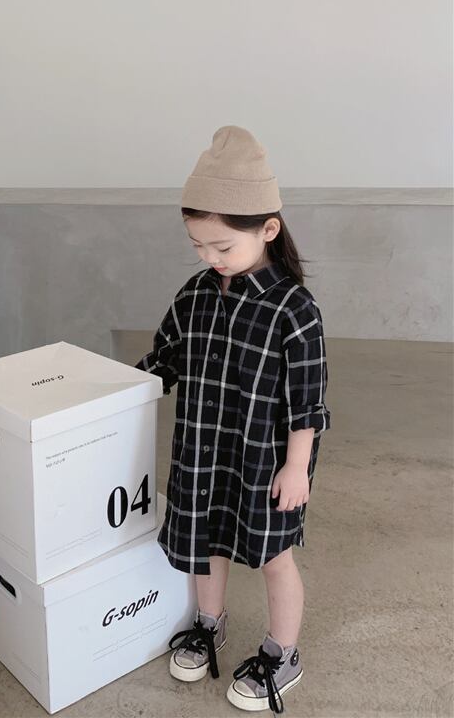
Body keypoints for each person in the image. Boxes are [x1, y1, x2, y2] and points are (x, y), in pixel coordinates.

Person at [134, 126, 331, 715]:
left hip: (266, 462)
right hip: (202, 448)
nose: (209, 258)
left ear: (268, 229)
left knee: (274, 555)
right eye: (198, 245)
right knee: (206, 540)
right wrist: (109, 393)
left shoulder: (294, 309)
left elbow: (307, 402)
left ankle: (282, 653)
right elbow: (163, 360)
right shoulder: (196, 294)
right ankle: (208, 622)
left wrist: (297, 468)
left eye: (221, 246)